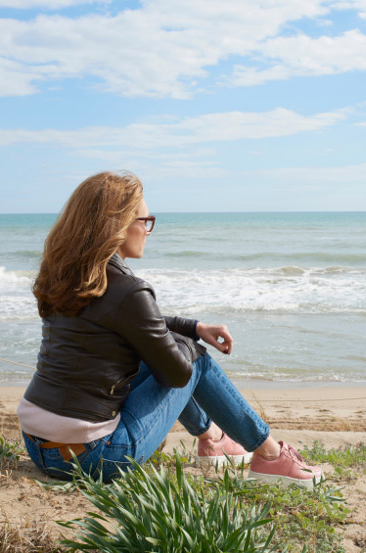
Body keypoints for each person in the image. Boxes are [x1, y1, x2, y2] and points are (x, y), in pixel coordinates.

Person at [17, 171, 322, 487]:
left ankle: (212, 437)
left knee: (168, 349)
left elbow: (127, 324)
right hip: (93, 459)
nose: (148, 230)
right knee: (195, 362)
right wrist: (190, 346)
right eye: (144, 220)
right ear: (118, 225)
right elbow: (178, 376)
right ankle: (270, 455)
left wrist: (193, 327)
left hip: (39, 447)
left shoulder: (68, 277)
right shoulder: (129, 290)